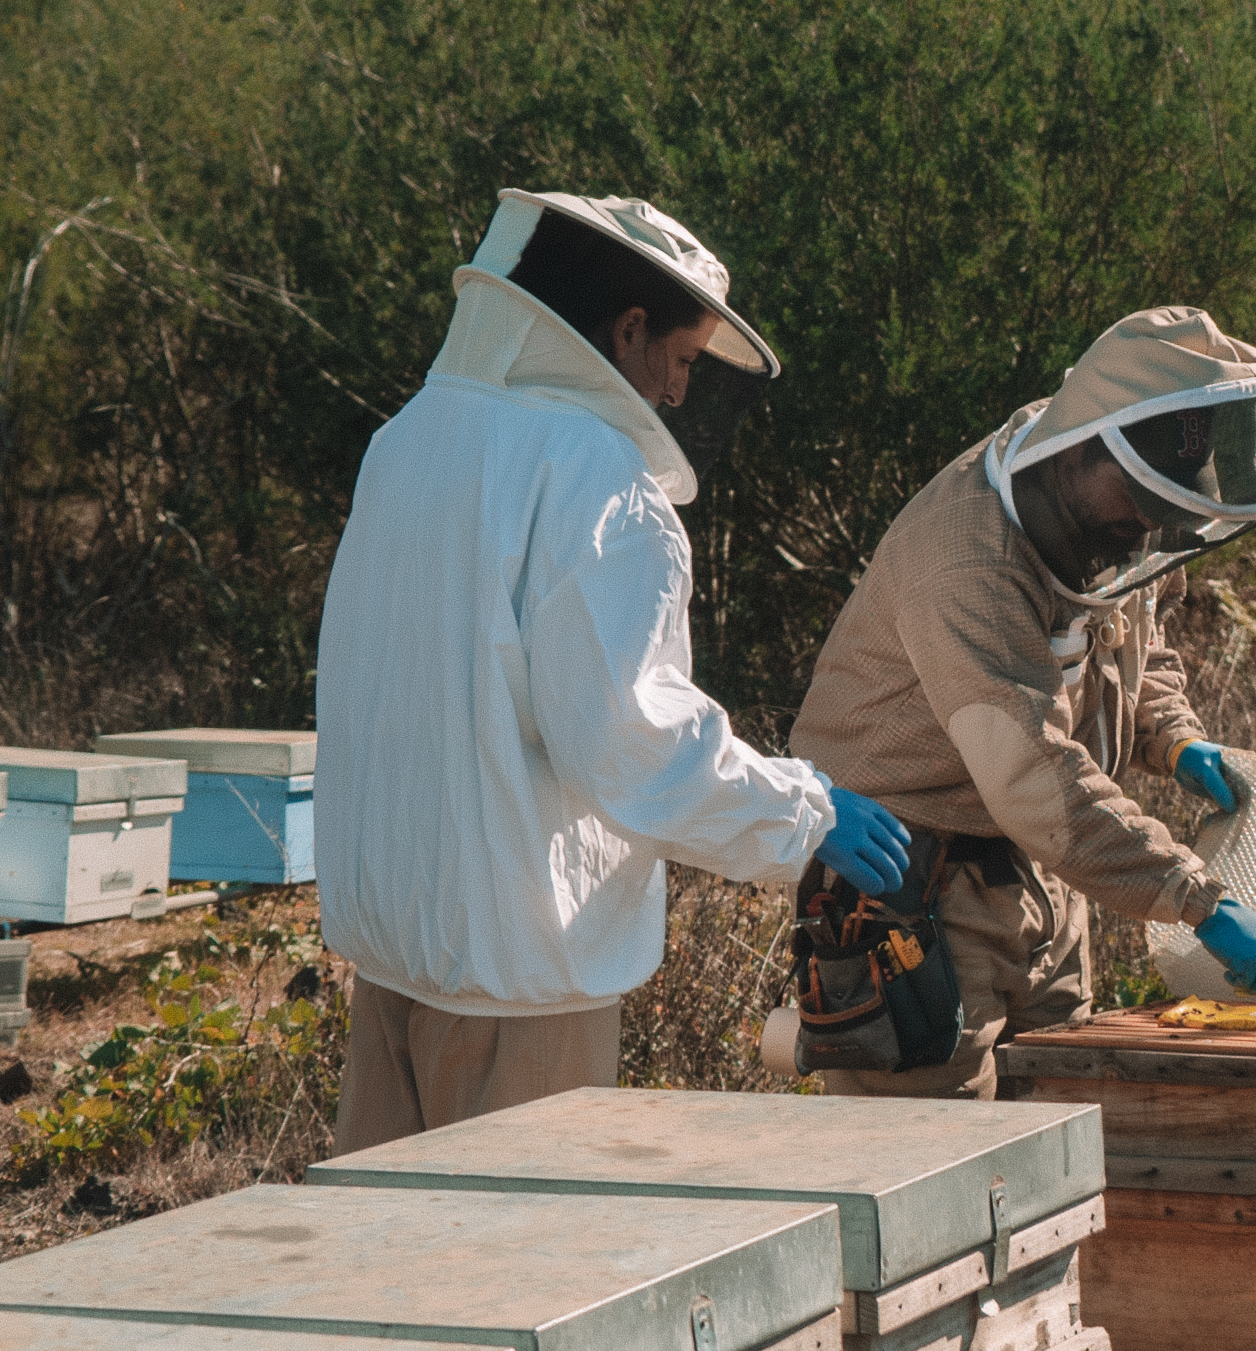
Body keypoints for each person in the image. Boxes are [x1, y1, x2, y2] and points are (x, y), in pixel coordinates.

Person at [317, 188, 910, 1150]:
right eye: (677, 359)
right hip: (522, 983)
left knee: (387, 1274)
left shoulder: (411, 440)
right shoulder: (593, 475)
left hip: (392, 959)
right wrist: (804, 813)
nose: (677, 394)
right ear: (627, 328)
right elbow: (630, 737)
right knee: (516, 1280)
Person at [786, 305, 1256, 1099]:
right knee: (933, 1178)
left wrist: (1173, 737)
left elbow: (1141, 633)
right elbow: (1031, 778)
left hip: (1044, 879)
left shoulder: (1120, 522)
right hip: (908, 892)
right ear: (1082, 445)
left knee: (1060, 1147)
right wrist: (1196, 898)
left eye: (1166, 513)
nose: (1146, 531)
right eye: (1138, 505)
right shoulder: (964, 561)